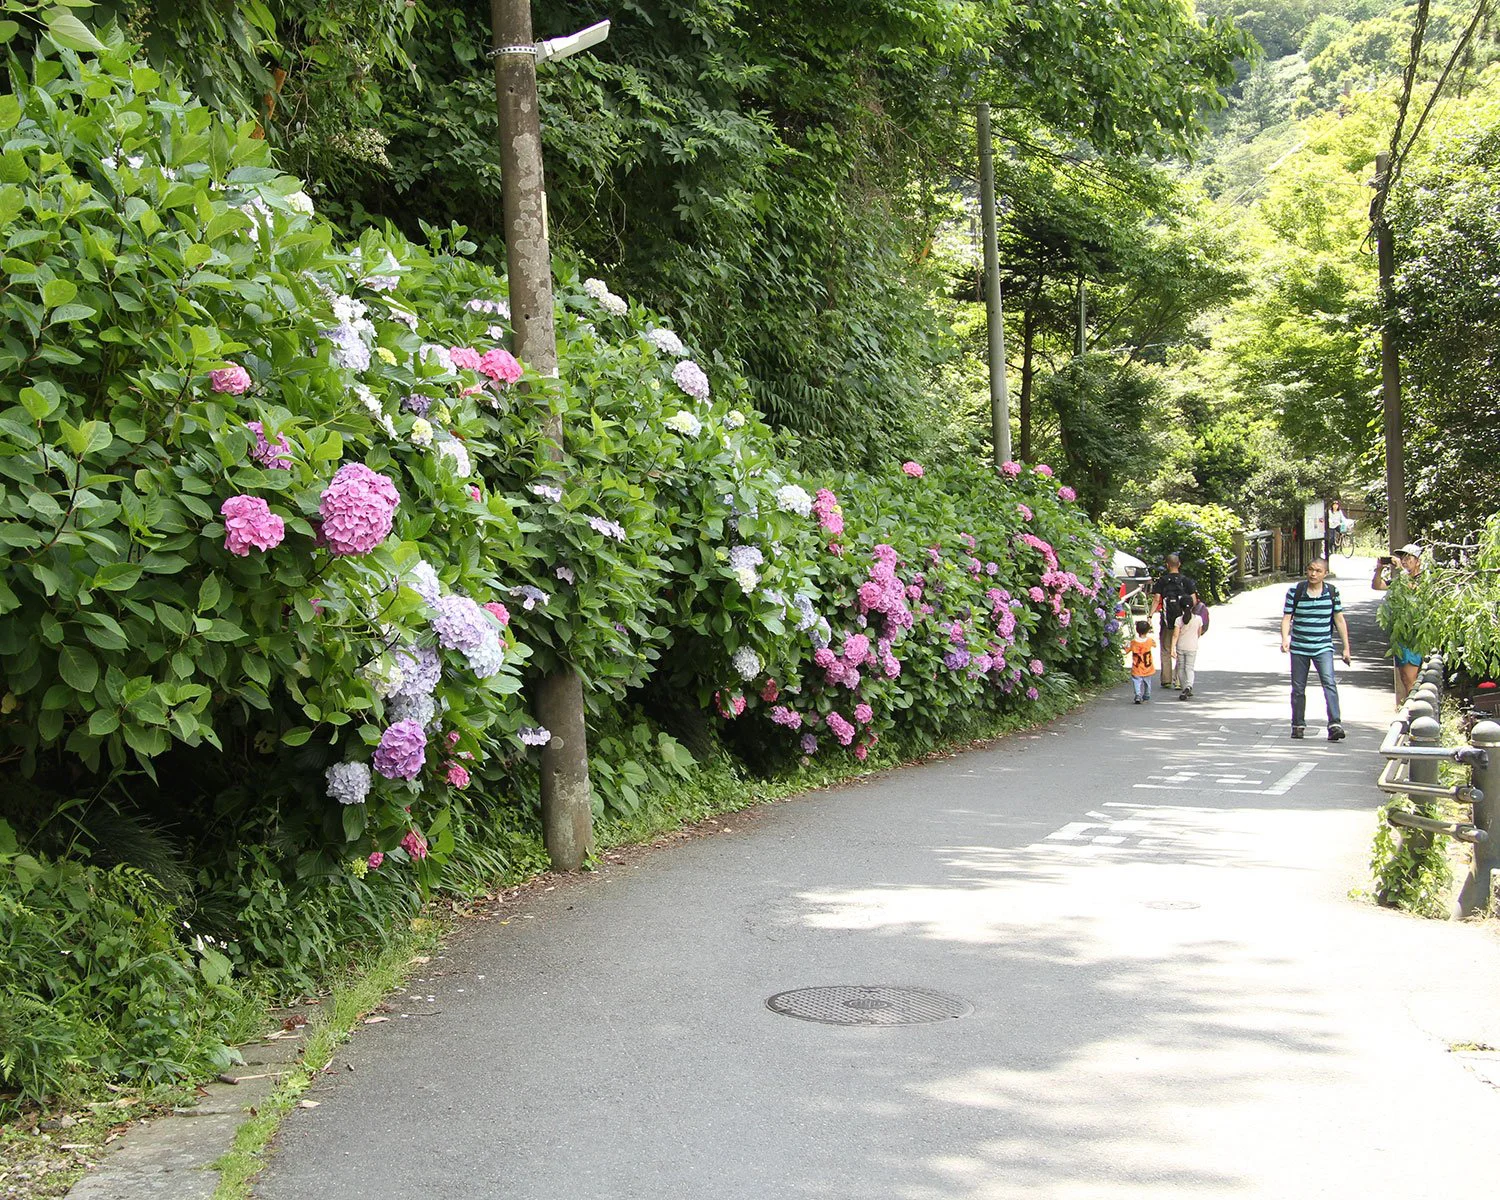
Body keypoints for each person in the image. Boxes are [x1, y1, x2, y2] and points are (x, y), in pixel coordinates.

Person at [1280, 557, 1351, 741]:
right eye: (1311, 569)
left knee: (1329, 683)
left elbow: (1339, 619)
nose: (1313, 574)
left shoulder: (1332, 592)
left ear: (1325, 574)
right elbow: (1287, 617)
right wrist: (1285, 639)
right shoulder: (1296, 591)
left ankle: (1335, 724)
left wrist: (1346, 648)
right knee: (1298, 688)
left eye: (1318, 571)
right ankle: (1298, 724)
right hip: (1300, 647)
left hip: (1323, 647)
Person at [1372, 542, 1424, 704]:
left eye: (1409, 558)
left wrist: (1401, 571)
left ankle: (1412, 710)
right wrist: (1379, 569)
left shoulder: (1424, 579)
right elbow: (1377, 586)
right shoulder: (1399, 579)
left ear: (1418, 561)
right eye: (1403, 558)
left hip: (1416, 633)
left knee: (1411, 677)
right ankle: (1410, 707)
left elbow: (1412, 590)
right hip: (1401, 633)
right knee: (1404, 676)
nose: (1405, 561)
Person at [1150, 553, 1198, 690]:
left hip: (1167, 620)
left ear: (1167, 565)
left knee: (1166, 648)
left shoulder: (1162, 581)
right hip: (1183, 620)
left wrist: (1150, 615)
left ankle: (1166, 679)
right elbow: (1193, 600)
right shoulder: (1186, 581)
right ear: (1179, 564)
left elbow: (1156, 599)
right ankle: (1178, 680)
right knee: (1180, 648)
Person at [1174, 604, 1204, 700]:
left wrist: (1172, 648)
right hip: (1192, 646)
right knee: (1189, 668)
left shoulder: (1178, 620)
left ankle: (1184, 688)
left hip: (1181, 646)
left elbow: (1175, 635)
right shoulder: (1198, 619)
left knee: (1181, 667)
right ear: (1192, 606)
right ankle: (1189, 686)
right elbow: (1199, 633)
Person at [1127, 619, 1156, 704]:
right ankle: (1146, 695)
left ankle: (1138, 695)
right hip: (1147, 666)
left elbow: (1126, 649)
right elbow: (1155, 645)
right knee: (1147, 682)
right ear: (1147, 630)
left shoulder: (1133, 642)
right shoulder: (1149, 641)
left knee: (1136, 681)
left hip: (1137, 666)